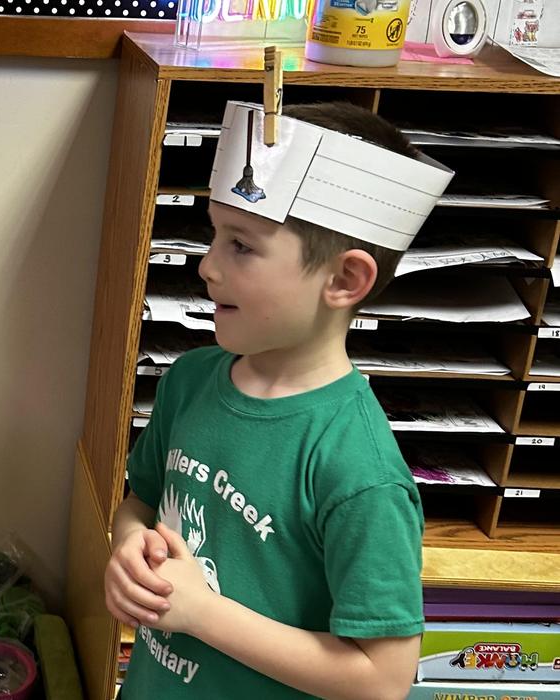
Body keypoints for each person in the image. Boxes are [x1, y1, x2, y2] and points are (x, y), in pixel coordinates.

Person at [104, 101, 454, 699]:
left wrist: (202, 614)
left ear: (344, 280)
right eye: (214, 234)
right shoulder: (189, 381)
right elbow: (140, 503)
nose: (207, 265)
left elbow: (383, 680)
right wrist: (129, 546)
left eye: (241, 246)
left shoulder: (358, 471)